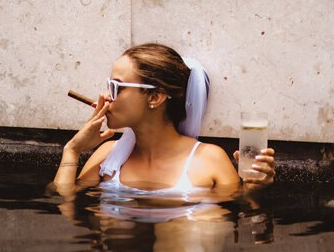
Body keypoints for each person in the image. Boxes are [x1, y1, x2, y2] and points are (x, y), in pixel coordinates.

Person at [53, 43, 275, 196]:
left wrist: (253, 191)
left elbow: (242, 215)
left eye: (116, 87)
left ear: (155, 97)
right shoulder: (108, 156)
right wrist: (72, 150)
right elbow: (64, 203)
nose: (105, 96)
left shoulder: (210, 160)